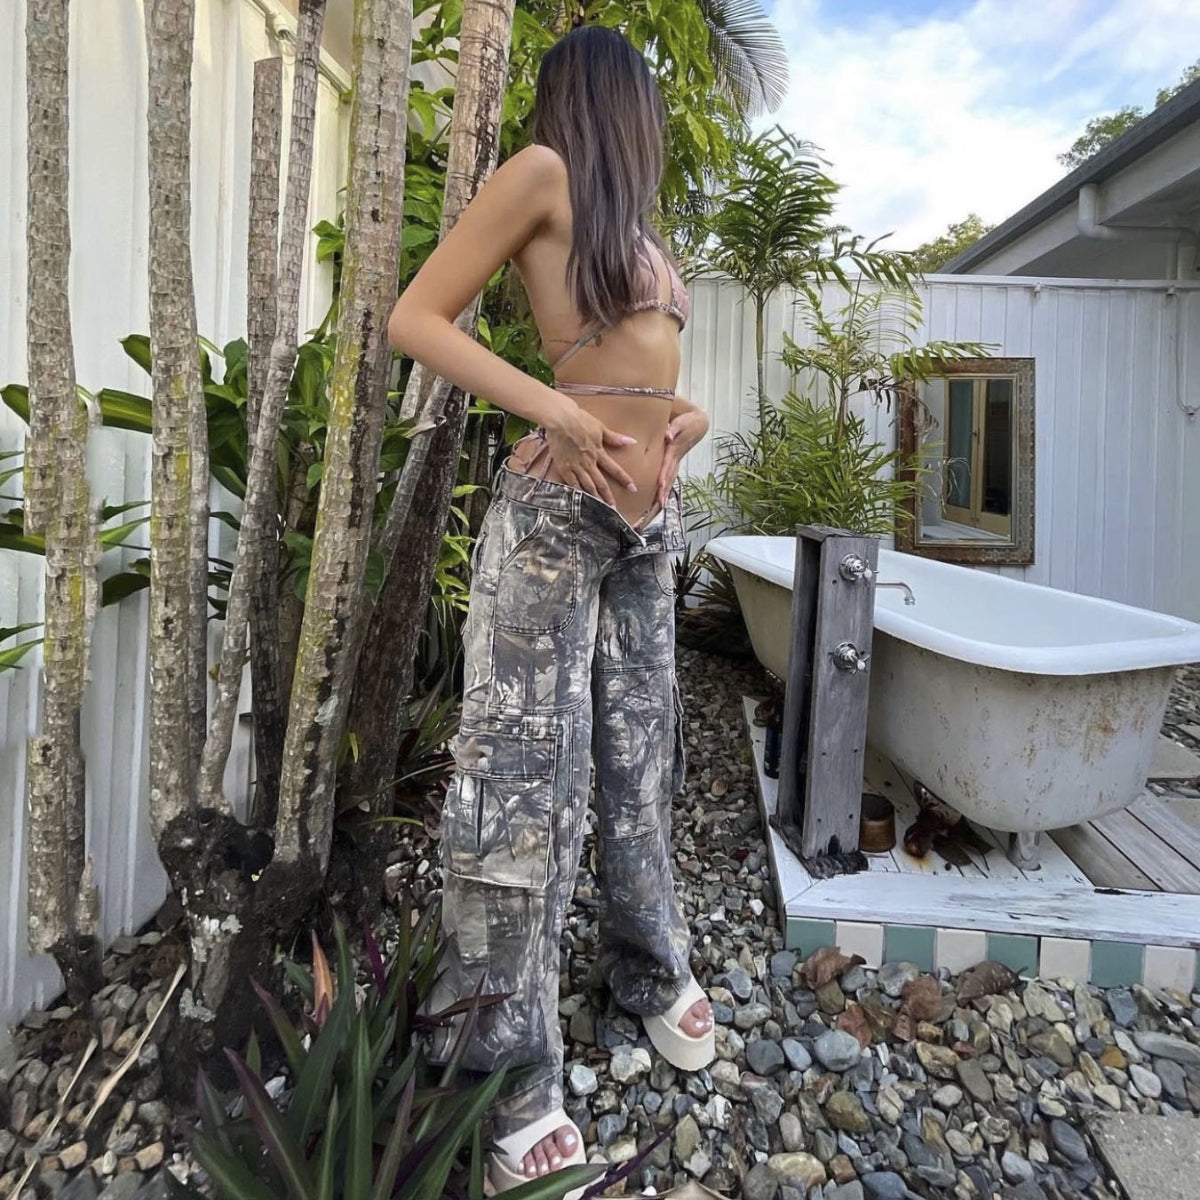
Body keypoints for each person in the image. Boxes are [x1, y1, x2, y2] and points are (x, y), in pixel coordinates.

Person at [387, 23, 714, 1197]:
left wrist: (683, 422)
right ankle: (505, 1063)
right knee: (522, 779)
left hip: (648, 526)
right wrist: (561, 413)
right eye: (645, 99)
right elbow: (416, 319)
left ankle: (646, 963)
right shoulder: (541, 174)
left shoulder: (635, 226)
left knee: (639, 758)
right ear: (611, 96)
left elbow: (650, 373)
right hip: (557, 516)